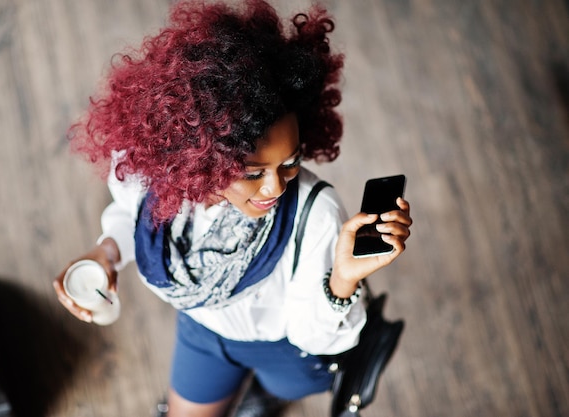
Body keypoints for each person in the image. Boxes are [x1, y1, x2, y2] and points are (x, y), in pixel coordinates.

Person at [52, 1, 412, 416]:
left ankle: (261, 396)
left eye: (290, 162)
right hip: (202, 332)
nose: (276, 186)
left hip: (286, 352)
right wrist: (107, 253)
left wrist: (344, 278)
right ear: (200, 158)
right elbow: (132, 213)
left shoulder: (316, 214)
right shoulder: (158, 173)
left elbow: (312, 336)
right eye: (253, 172)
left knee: (284, 388)